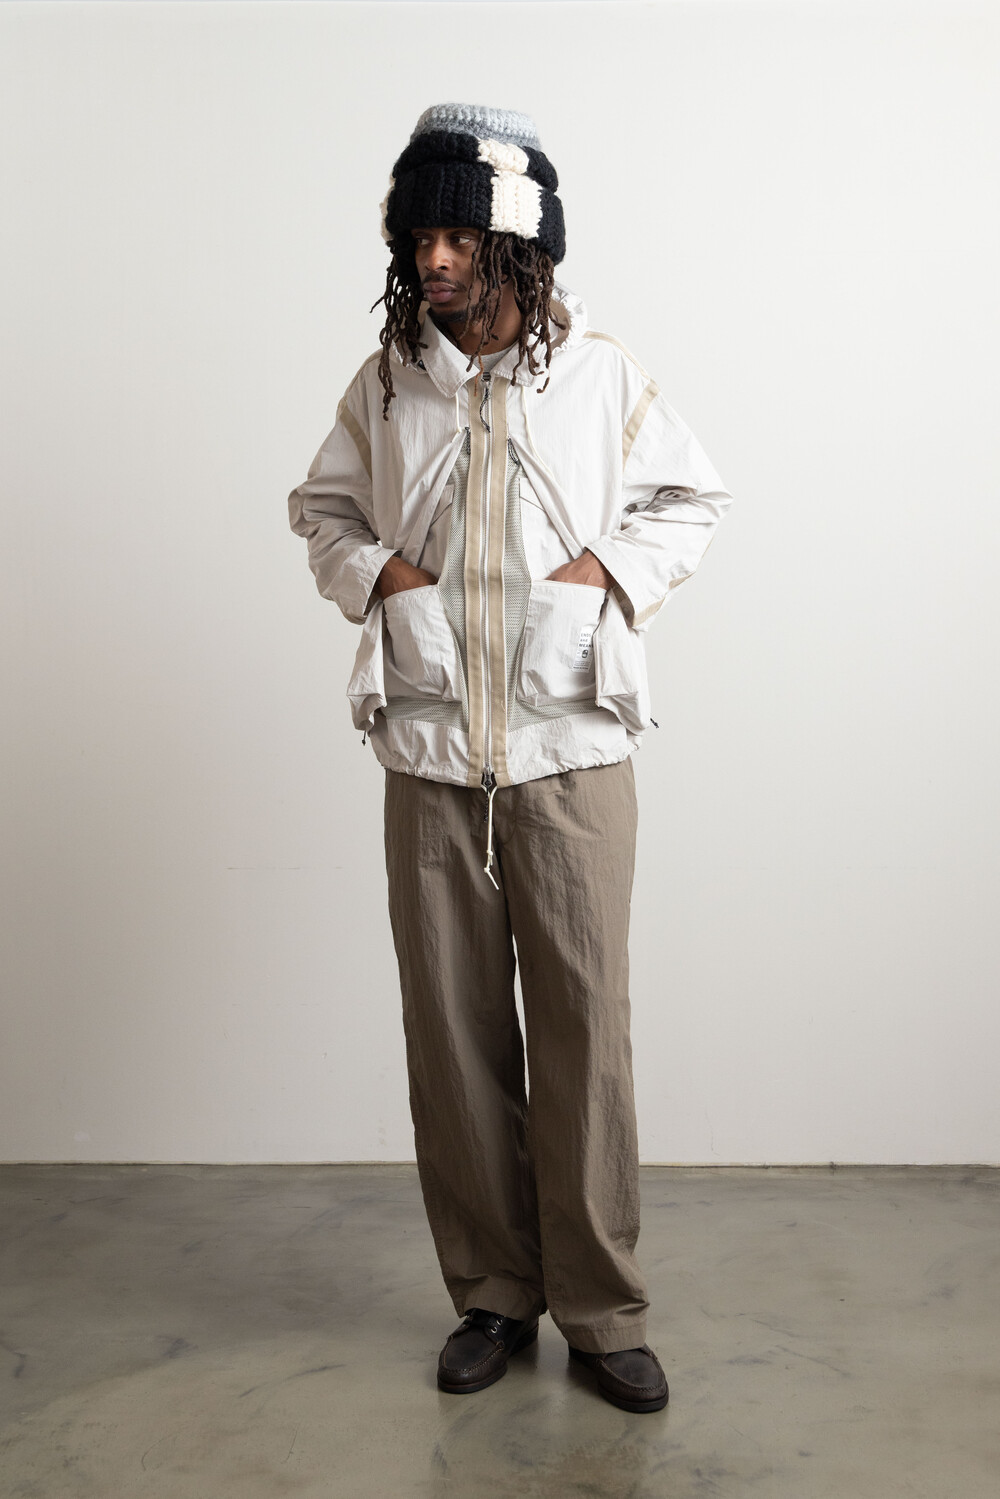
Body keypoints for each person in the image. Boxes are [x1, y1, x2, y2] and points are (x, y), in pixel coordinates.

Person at [287, 102, 733, 1414]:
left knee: (586, 1027)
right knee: (452, 1032)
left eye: (458, 235)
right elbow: (323, 510)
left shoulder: (600, 373)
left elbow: (691, 499)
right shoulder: (387, 383)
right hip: (431, 748)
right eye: (417, 236)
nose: (433, 260)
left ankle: (602, 1311)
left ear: (518, 243)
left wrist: (605, 579)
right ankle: (492, 1294)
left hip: (571, 744)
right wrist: (383, 579)